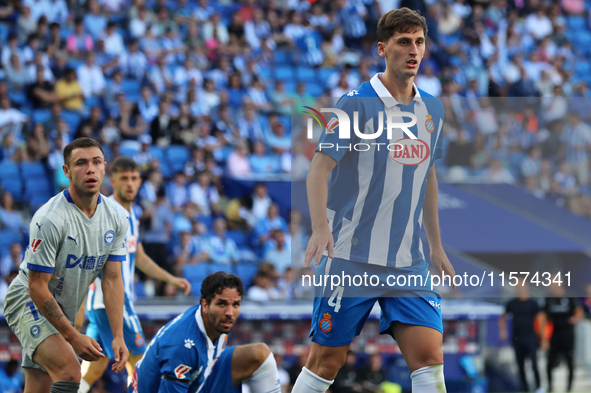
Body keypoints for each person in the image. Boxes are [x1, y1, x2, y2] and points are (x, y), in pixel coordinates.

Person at [292, 8, 453, 393]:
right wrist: (320, 227)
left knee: (430, 358)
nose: (413, 50)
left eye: (419, 42)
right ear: (382, 49)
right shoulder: (355, 105)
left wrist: (435, 245)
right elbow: (318, 168)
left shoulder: (433, 109)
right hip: (351, 255)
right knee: (326, 361)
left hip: (407, 259)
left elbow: (427, 174)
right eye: (403, 42)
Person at [2, 137, 130, 393]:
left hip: (64, 306)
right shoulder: (49, 218)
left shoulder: (117, 217)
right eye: (80, 163)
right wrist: (73, 336)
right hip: (28, 300)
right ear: (66, 171)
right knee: (71, 371)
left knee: (40, 387)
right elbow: (37, 287)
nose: (90, 169)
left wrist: (118, 335)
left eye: (96, 162)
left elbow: (113, 279)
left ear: (105, 167)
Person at [78, 157, 192, 393]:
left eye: (133, 178)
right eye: (124, 179)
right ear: (113, 181)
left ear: (140, 181)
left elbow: (138, 257)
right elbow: (92, 259)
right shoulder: (107, 213)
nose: (129, 184)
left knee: (94, 368)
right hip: (112, 302)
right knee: (141, 363)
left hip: (102, 304)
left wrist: (170, 279)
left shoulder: (132, 215)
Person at [129, 271, 282, 393]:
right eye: (222, 304)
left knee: (259, 354)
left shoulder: (218, 321)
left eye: (236, 304)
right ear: (205, 305)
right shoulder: (180, 346)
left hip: (198, 381)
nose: (230, 312)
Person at [498, 280, 543, 393]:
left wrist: (542, 336)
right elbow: (502, 317)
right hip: (517, 338)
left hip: (530, 337)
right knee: (520, 365)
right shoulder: (512, 303)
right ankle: (525, 389)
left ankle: (539, 387)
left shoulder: (533, 303)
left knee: (534, 364)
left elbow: (540, 319)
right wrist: (503, 331)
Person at [541, 282, 583, 393]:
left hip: (568, 335)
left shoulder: (569, 297)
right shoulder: (549, 299)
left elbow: (579, 311)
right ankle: (550, 387)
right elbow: (544, 317)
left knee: (569, 362)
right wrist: (544, 338)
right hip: (554, 335)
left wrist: (575, 318)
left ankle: (569, 388)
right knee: (550, 363)